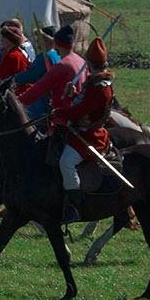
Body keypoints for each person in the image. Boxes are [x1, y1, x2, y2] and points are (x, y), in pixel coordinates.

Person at [51, 39, 114, 220]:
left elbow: (81, 111)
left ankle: (75, 206)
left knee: (66, 162)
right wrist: (74, 95)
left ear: (91, 65)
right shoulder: (96, 84)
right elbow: (86, 104)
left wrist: (58, 111)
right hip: (81, 132)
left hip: (90, 136)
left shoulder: (98, 87)